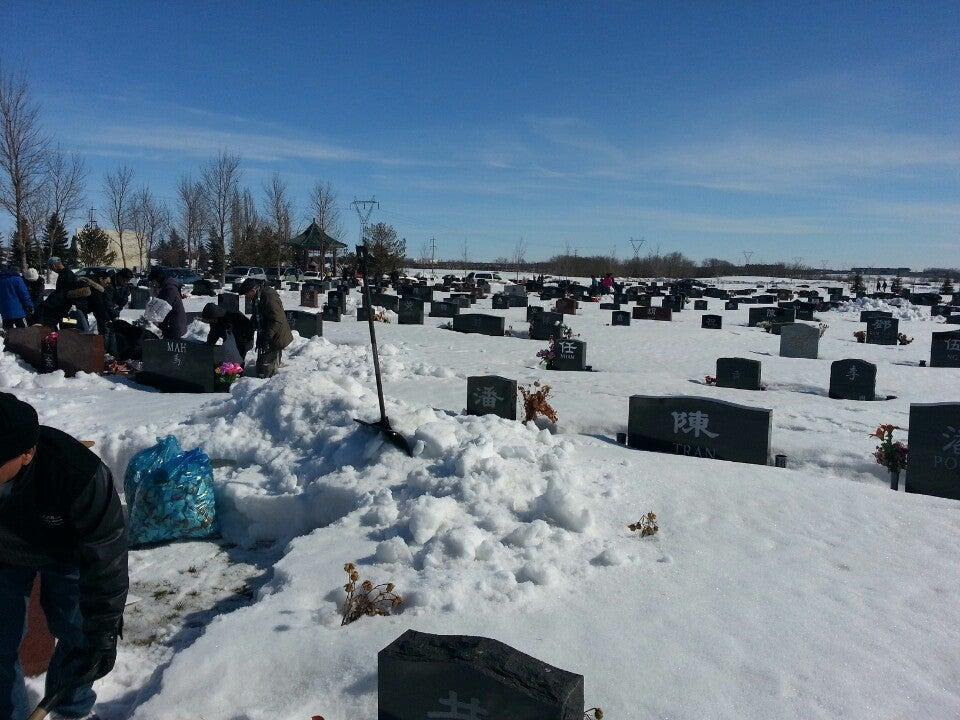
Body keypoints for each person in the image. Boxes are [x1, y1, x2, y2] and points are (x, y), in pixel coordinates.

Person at [0, 393, 127, 720]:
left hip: (68, 553)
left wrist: (104, 628)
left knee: (78, 632)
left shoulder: (78, 476)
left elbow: (107, 557)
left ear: (27, 453)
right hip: (4, 555)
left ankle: (70, 710)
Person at [240, 278, 292, 378]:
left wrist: (266, 338)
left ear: (252, 291)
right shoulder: (257, 297)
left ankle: (270, 383)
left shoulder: (269, 297)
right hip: (266, 333)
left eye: (246, 294)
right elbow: (257, 315)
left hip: (275, 335)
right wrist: (249, 327)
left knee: (267, 370)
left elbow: (277, 320)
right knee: (261, 366)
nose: (246, 297)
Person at [148, 267, 186, 340]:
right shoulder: (165, 288)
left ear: (158, 279)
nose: (153, 284)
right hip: (169, 325)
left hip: (174, 326)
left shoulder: (170, 289)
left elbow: (161, 307)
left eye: (153, 281)